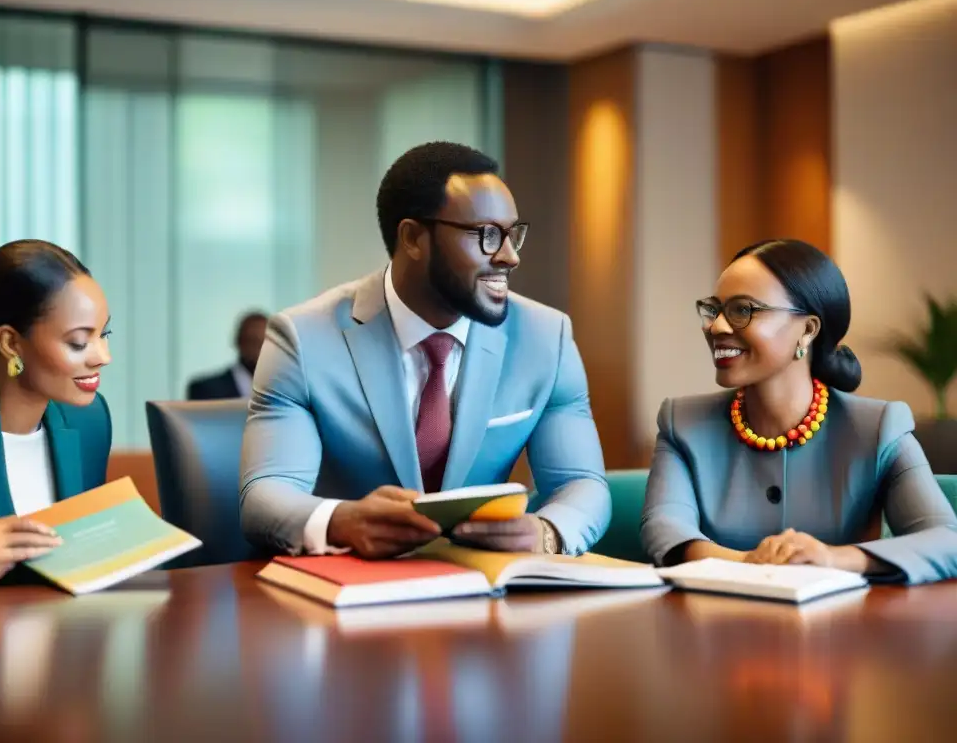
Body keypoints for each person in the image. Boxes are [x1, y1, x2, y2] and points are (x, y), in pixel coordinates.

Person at [240, 141, 610, 559]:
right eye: (487, 235)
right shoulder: (304, 338)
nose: (509, 257)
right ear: (413, 238)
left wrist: (544, 532)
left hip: (482, 593)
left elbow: (582, 484)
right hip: (350, 593)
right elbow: (265, 497)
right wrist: (343, 521)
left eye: (512, 235)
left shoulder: (547, 338)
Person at [640, 239, 957, 583]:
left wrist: (830, 558)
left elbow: (946, 542)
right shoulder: (681, 423)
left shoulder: (879, 428)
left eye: (742, 310)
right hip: (716, 624)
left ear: (807, 330)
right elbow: (664, 529)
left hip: (844, 629)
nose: (716, 327)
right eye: (714, 310)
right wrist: (749, 563)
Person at [0, 240, 112, 588]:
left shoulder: (89, 420)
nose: (102, 356)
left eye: (103, 334)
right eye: (79, 342)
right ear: (11, 343)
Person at [186, 311, 268, 400]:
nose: (260, 350)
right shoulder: (204, 390)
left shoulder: (283, 390)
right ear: (238, 342)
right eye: (253, 341)